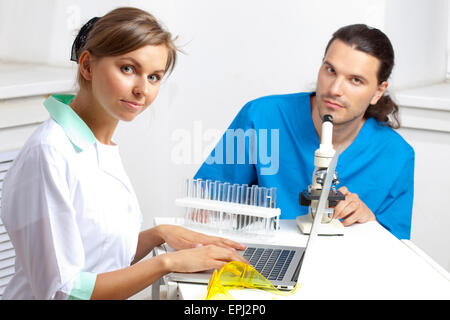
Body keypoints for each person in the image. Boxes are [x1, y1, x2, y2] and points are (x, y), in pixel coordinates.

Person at [0, 7, 246, 300]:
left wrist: (160, 234)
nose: (142, 89)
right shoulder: (51, 152)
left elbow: (102, 258)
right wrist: (167, 262)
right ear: (88, 66)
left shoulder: (98, 144)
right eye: (128, 69)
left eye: (154, 77)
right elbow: (64, 291)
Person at [195, 24, 415, 240]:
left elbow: (398, 252)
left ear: (378, 91)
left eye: (355, 80)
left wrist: (369, 222)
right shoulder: (262, 116)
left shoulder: (396, 155)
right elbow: (203, 204)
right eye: (330, 70)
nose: (334, 90)